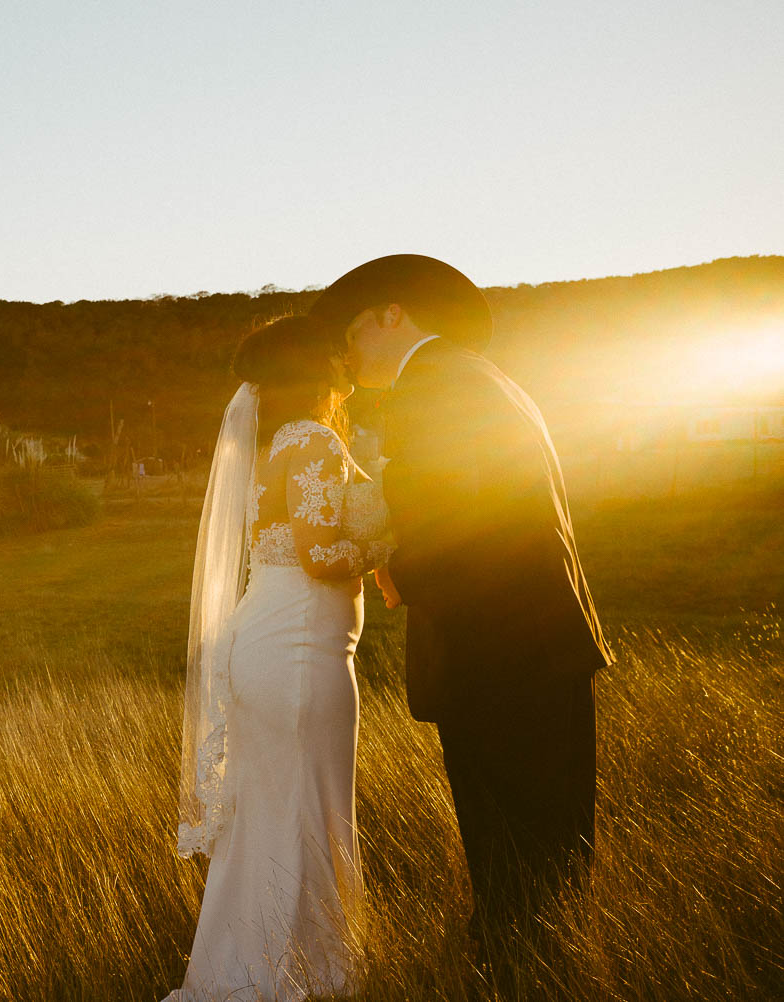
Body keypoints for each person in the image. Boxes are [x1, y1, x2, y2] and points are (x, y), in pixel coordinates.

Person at [307, 255, 613, 957]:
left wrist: (394, 566)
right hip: (534, 643)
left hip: (495, 650)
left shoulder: (433, 388)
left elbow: (451, 516)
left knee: (513, 853)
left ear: (392, 315)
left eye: (351, 332)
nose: (346, 355)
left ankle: (520, 974)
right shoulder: (484, 379)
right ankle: (547, 963)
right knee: (550, 844)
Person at [168, 315, 392, 1001]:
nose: (346, 361)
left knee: (271, 809)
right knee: (309, 806)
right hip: (298, 648)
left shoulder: (276, 447)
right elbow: (320, 554)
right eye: (335, 349)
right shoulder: (316, 443)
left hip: (271, 637)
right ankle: (304, 976)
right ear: (317, 368)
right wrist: (391, 542)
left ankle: (242, 971)